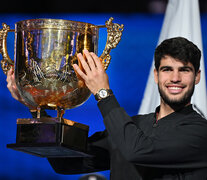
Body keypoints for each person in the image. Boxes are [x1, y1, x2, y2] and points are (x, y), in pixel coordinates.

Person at [6, 37, 207, 179]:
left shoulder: (200, 132)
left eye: (184, 70)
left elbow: (136, 151)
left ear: (197, 76)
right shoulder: (133, 126)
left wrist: (103, 93)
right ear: (156, 75)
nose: (175, 78)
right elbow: (65, 162)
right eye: (167, 69)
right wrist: (35, 105)